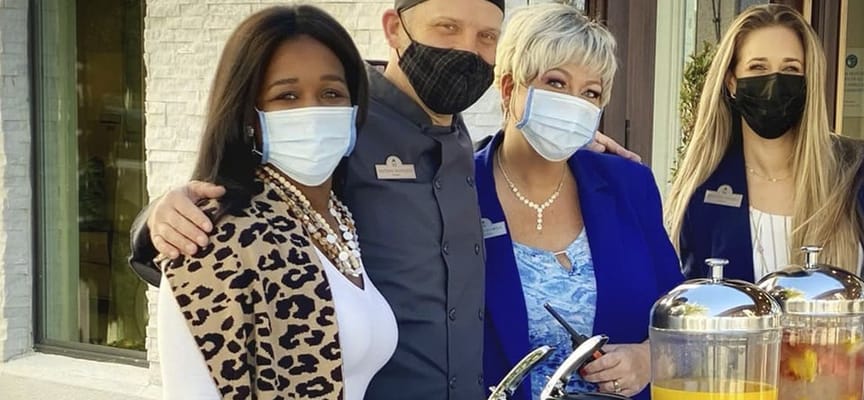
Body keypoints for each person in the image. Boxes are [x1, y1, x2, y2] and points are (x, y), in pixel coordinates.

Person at [130, 1, 638, 398]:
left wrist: (579, 143)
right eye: (447, 28)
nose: (466, 50)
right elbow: (246, 195)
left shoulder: (468, 148)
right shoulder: (346, 126)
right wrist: (157, 216)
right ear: (395, 30)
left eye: (486, 37)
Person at [154, 5, 399, 400]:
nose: (313, 111)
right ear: (249, 116)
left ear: (354, 109)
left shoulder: (341, 218)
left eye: (331, 93)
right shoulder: (214, 239)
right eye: (287, 96)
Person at [664, 4, 864, 399]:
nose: (774, 82)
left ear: (810, 81)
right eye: (757, 68)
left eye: (790, 70)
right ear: (732, 82)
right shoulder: (703, 197)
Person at [475, 4, 684, 400]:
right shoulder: (459, 191)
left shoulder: (629, 185)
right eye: (556, 83)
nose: (574, 103)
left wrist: (647, 359)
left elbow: (676, 317)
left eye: (590, 92)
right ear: (508, 88)